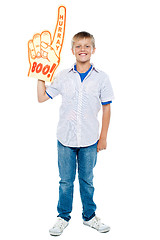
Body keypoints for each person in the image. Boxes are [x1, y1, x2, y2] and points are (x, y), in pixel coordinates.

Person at [37, 31, 114, 236]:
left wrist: (103, 137)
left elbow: (107, 108)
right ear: (72, 50)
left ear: (93, 50)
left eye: (87, 46)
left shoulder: (101, 78)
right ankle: (63, 217)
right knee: (65, 181)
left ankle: (89, 216)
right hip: (66, 139)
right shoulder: (63, 76)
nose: (82, 49)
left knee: (87, 179)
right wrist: (40, 76)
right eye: (78, 46)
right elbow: (42, 97)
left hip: (90, 139)